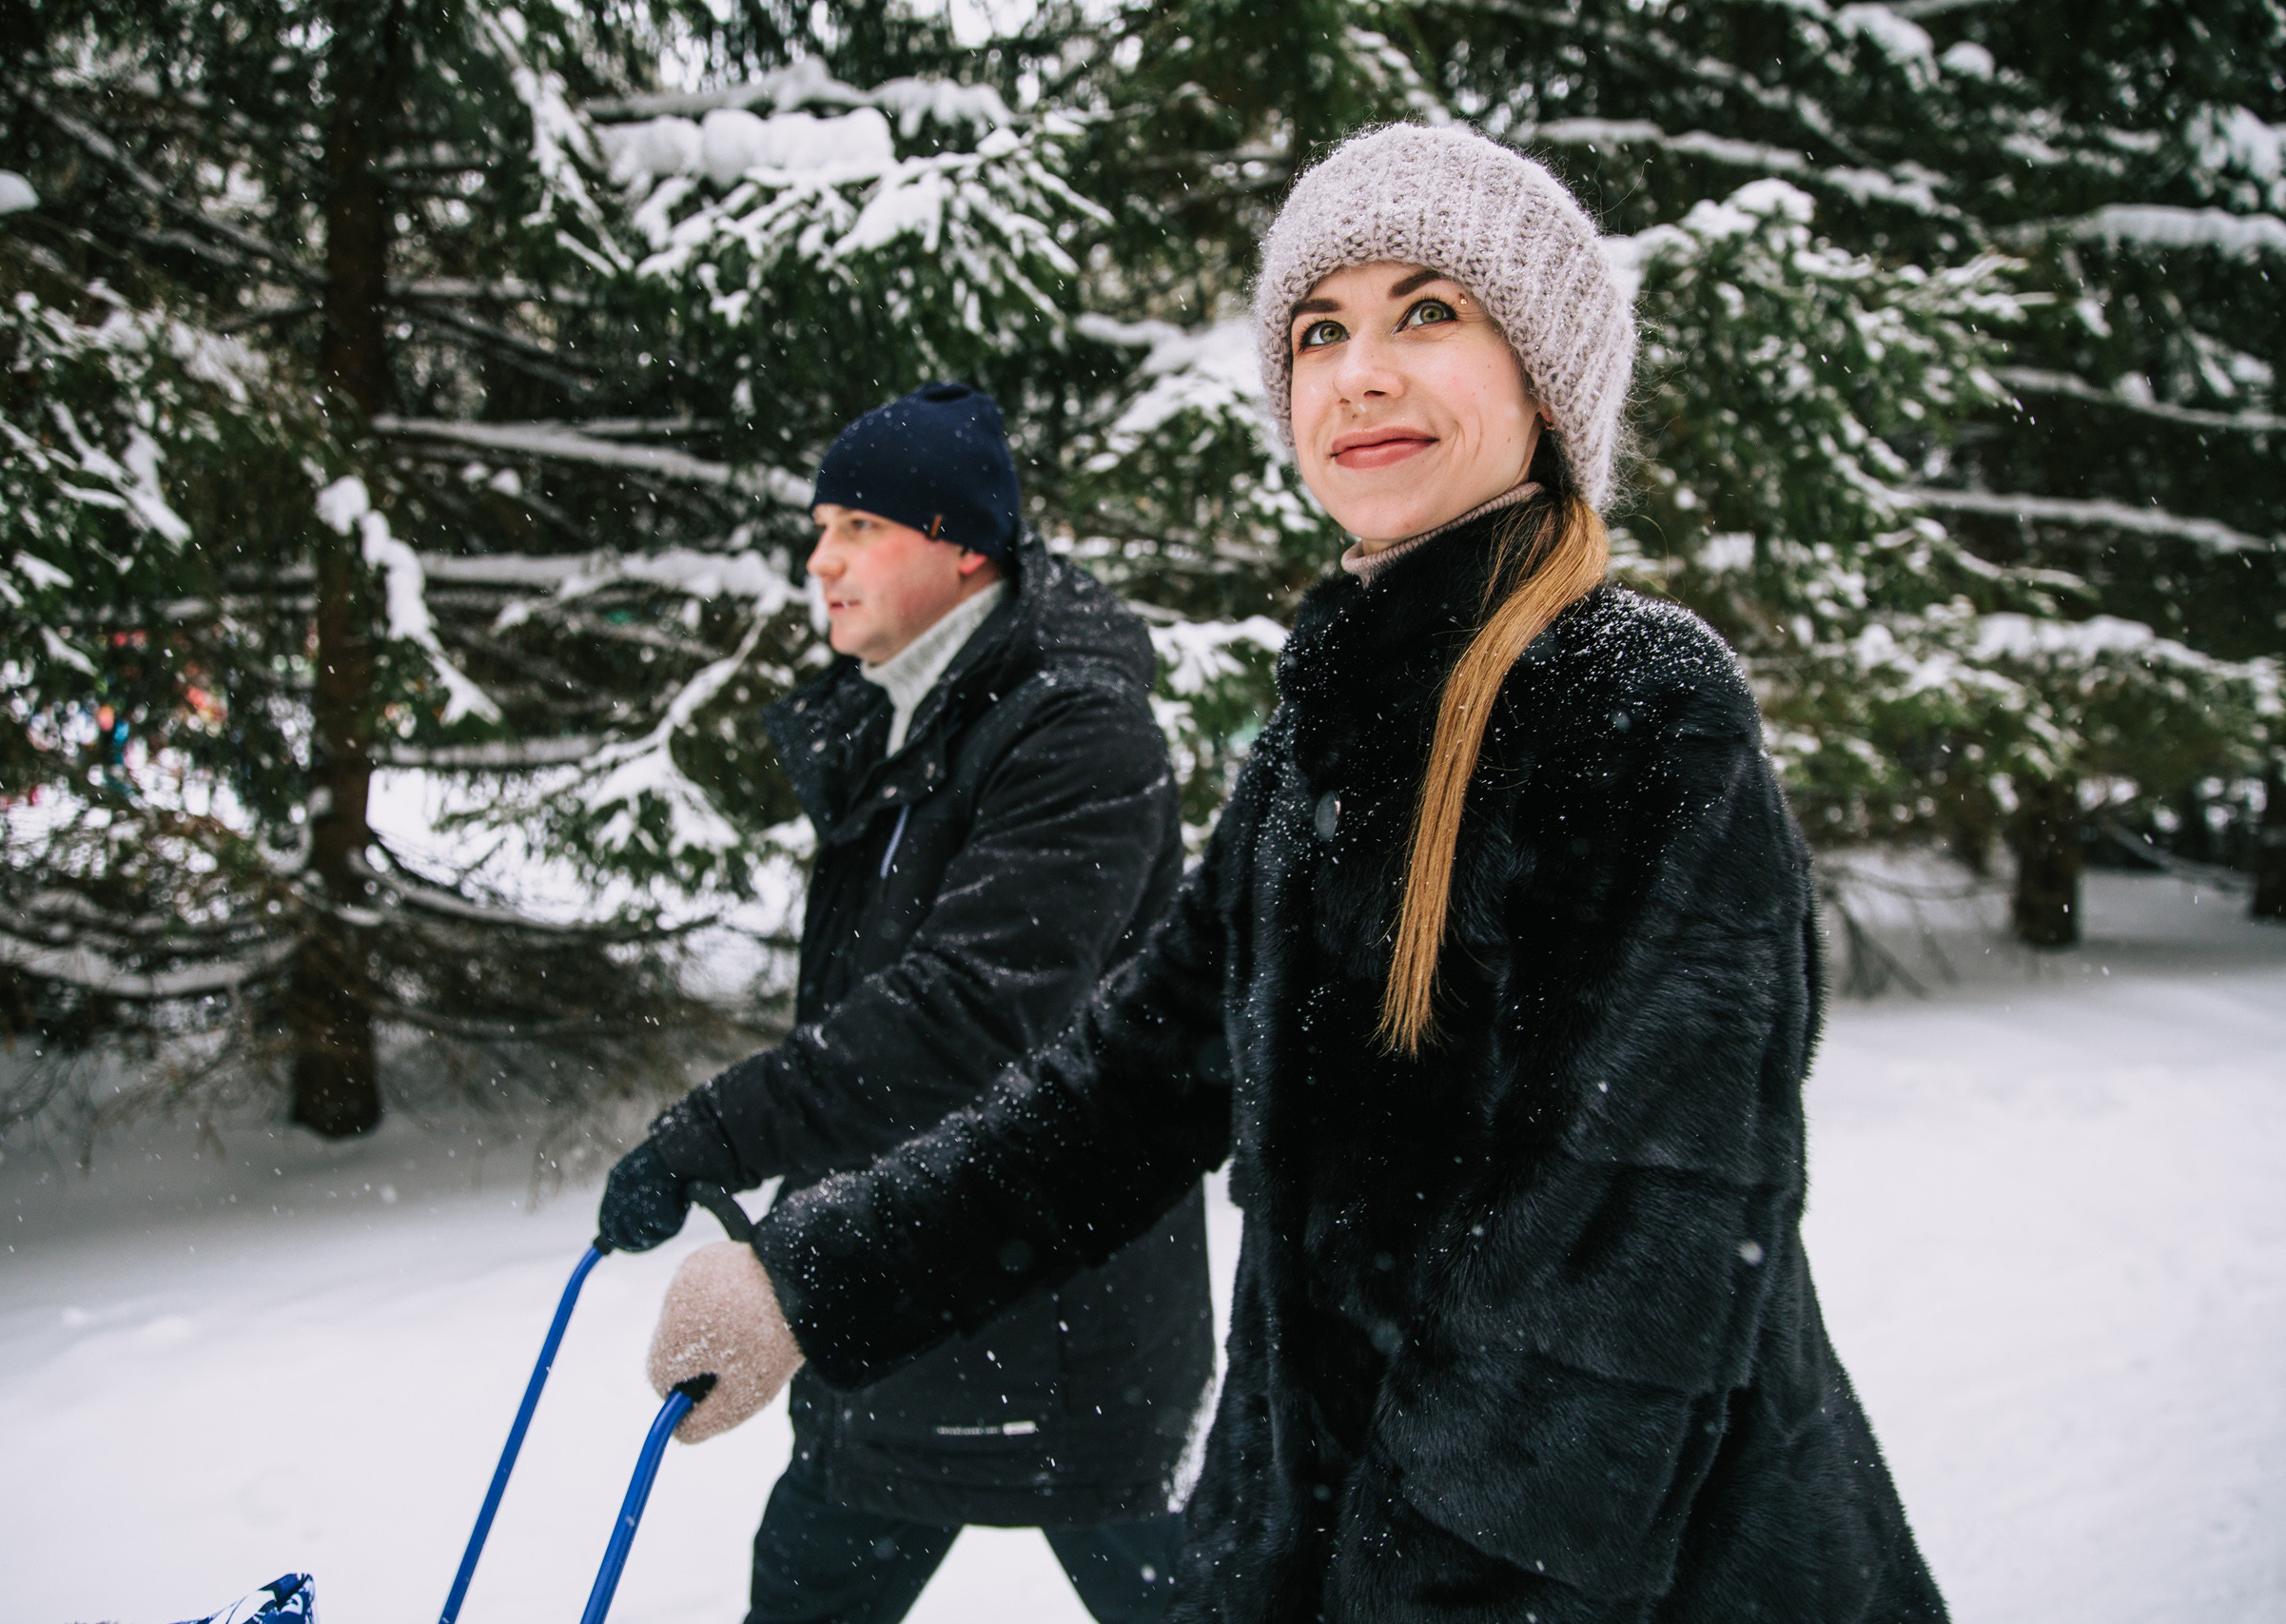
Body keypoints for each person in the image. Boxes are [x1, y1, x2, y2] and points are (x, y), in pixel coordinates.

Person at [641, 127, 1951, 1621]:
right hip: (1313, 1532)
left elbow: (1617, 1298)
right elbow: (1120, 1094)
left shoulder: (1637, 710)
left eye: (1428, 313)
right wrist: (809, 1278)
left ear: (1544, 383)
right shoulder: (1320, 743)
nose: (1360, 373)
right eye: (1319, 331)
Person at [597, 381, 1214, 1624]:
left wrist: (714, 1134)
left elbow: (967, 1018)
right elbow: (870, 1001)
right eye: (820, 528)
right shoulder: (899, 715)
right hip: (878, 1306)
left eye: (860, 528)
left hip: (1058, 1323)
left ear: (963, 545)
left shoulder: (1077, 732)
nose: (820, 561)